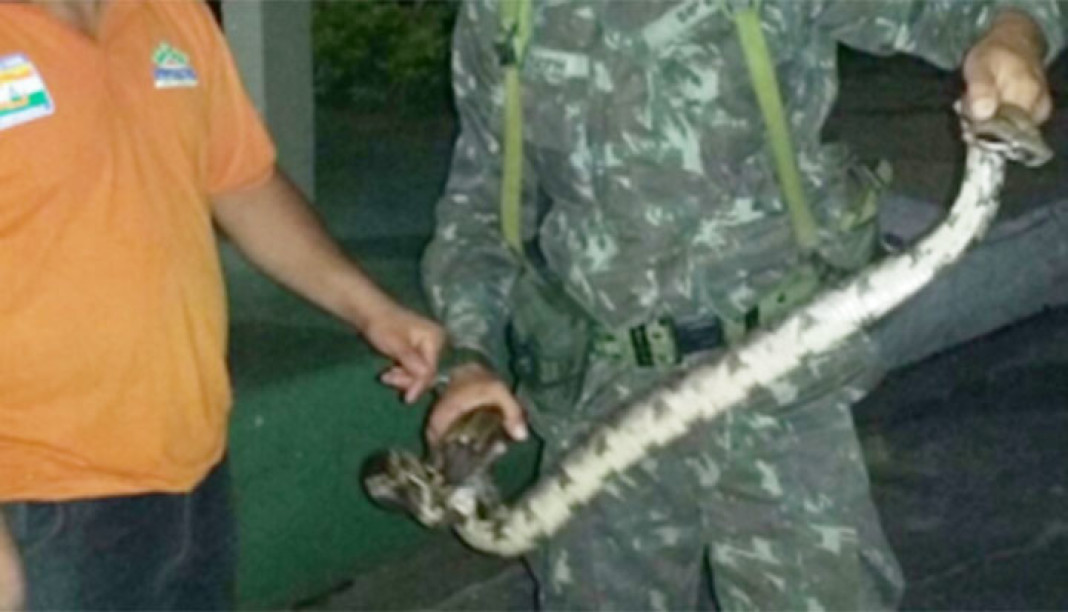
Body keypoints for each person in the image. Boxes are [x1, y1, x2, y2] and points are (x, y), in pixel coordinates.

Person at [422, 1, 1062, 609]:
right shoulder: (505, 14)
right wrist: (469, 360)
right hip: (599, 400)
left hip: (777, 385)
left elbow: (972, 12)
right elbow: (479, 211)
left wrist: (1013, 38)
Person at [0, 0, 445, 609]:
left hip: (193, 478)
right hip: (38, 500)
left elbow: (240, 182)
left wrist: (371, 309)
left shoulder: (172, 15)